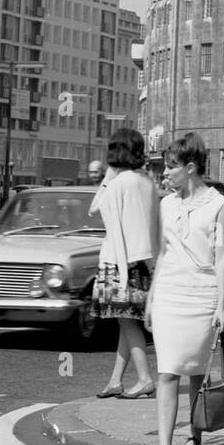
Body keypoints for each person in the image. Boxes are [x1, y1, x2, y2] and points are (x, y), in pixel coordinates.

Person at [144, 133, 224, 445]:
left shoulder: (218, 204)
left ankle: (195, 434)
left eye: (171, 167)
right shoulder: (166, 205)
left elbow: (222, 255)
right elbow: (162, 253)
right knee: (167, 371)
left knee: (196, 370)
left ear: (190, 168)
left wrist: (222, 303)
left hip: (202, 292)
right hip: (169, 293)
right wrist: (150, 296)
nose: (165, 173)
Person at [91, 129, 159, 400]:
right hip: (141, 260)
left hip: (118, 261)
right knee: (127, 321)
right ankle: (115, 380)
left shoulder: (119, 183)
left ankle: (144, 378)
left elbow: (95, 208)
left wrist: (109, 175)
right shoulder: (146, 181)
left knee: (127, 323)